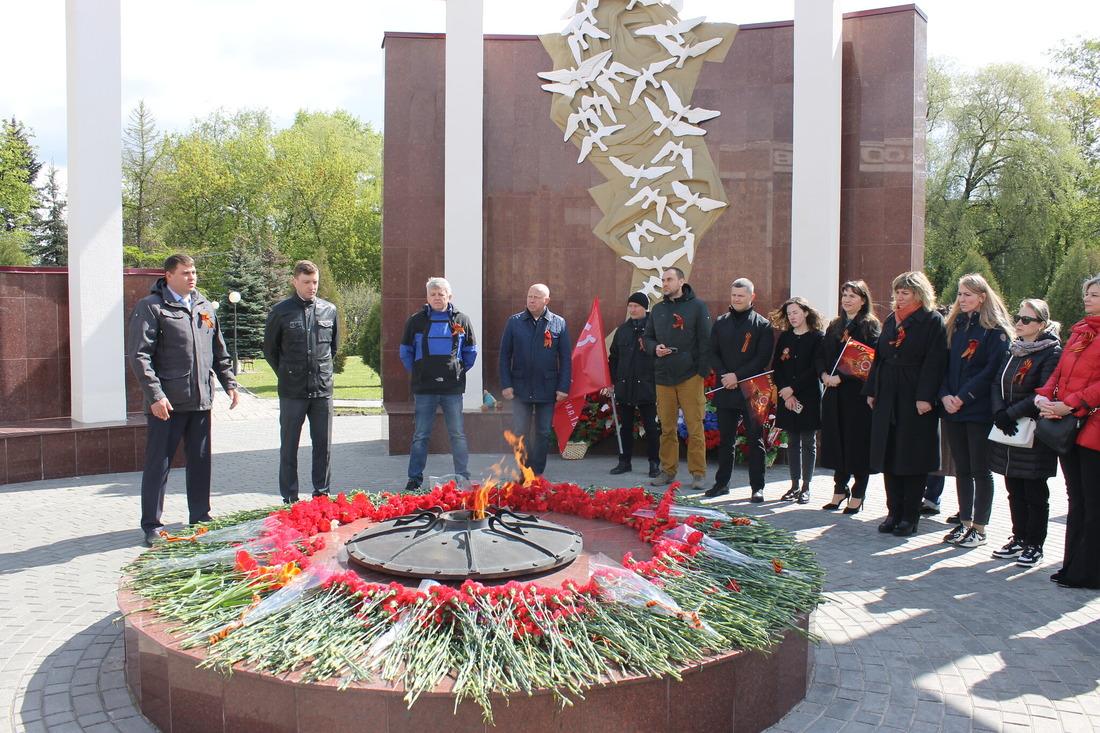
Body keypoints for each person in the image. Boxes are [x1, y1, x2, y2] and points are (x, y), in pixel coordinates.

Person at [128, 254, 239, 547]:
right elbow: (140, 356)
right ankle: (152, 524)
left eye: (194, 272)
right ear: (169, 276)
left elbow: (219, 350)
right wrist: (155, 395)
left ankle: (200, 515)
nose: (192, 277)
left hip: (200, 400)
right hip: (167, 404)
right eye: (185, 273)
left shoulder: (204, 306)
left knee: (200, 462)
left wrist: (229, 383)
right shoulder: (151, 307)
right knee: (158, 465)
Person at [864, 271, 947, 537]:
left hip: (913, 396)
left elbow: (935, 361)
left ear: (919, 294)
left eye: (906, 293)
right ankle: (893, 511)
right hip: (888, 393)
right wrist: (872, 389)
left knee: (912, 457)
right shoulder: (891, 319)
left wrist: (925, 396)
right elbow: (879, 357)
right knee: (890, 455)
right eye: (898, 292)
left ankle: (910, 516)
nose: (900, 298)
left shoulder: (932, 321)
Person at [938, 274, 1014, 549]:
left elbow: (992, 370)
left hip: (978, 409)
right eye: (960, 294)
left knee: (980, 470)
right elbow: (942, 365)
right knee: (962, 469)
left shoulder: (995, 330)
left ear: (982, 296)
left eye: (968, 294)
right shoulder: (955, 326)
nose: (962, 299)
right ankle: (965, 522)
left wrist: (963, 396)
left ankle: (979, 528)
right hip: (953, 408)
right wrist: (945, 395)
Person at [1035, 275, 1100, 590]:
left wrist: (1070, 405)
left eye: (1095, 295)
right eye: (1087, 293)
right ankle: (1072, 564)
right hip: (1070, 423)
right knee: (1076, 498)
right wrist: (1045, 396)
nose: (1088, 298)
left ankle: (1088, 571)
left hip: (1093, 426)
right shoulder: (1080, 332)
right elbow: (1060, 371)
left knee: (1093, 501)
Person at [988, 299, 1061, 568]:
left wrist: (1010, 414)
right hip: (1009, 429)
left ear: (1041, 325)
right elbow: (997, 382)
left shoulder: (1051, 353)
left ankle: (1034, 544)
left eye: (1026, 319)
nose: (1019, 322)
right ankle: (1018, 537)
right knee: (1013, 487)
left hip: (1032, 429)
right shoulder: (1014, 350)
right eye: (1019, 317)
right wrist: (999, 412)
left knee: (1034, 490)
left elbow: (1042, 391)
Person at [263, 260, 339, 504]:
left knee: (322, 448)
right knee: (289, 449)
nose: (312, 287)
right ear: (294, 281)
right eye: (306, 282)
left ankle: (321, 496)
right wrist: (287, 373)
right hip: (292, 392)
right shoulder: (280, 312)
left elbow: (333, 348)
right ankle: (290, 498)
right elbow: (270, 351)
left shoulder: (329, 310)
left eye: (315, 282)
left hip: (321, 391)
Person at [400, 276, 478, 491]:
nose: (437, 298)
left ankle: (462, 477)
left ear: (449, 296)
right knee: (421, 435)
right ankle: (414, 479)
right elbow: (405, 352)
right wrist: (420, 372)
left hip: (452, 389)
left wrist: (457, 372)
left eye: (440, 294)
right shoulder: (416, 321)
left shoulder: (461, 320)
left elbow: (471, 352)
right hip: (424, 389)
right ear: (427, 297)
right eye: (433, 294)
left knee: (457, 434)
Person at [643, 267, 713, 491]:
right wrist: (655, 349)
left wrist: (701, 372)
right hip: (664, 376)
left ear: (681, 281)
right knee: (666, 428)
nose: (665, 283)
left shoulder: (698, 307)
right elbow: (647, 337)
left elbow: (706, 341)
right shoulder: (658, 309)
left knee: (694, 427)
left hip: (690, 376)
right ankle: (668, 471)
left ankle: (698, 474)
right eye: (663, 280)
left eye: (669, 279)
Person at [705, 277, 772, 500]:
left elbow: (762, 357)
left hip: (751, 389)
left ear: (751, 297)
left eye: (741, 295)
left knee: (756, 440)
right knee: (726, 441)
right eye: (734, 295)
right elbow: (712, 352)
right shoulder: (721, 322)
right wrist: (726, 376)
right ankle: (721, 483)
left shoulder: (762, 325)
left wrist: (737, 376)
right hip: (726, 388)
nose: (736, 299)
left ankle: (757, 487)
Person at [818, 280, 881, 515]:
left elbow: (870, 361)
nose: (846, 300)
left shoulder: (870, 326)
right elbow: (822, 354)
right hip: (834, 394)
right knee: (838, 442)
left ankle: (858, 493)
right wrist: (824, 373)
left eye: (852, 296)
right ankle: (839, 489)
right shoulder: (835, 325)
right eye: (844, 295)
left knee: (857, 444)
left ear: (863, 300)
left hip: (857, 394)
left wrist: (842, 378)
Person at [500, 283, 570, 477]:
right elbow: (505, 355)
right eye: (530, 296)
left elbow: (565, 358)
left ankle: (537, 472)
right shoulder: (514, 322)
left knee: (544, 432)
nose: (531, 300)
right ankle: (524, 469)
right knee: (520, 431)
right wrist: (506, 384)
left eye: (536, 297)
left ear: (546, 301)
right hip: (520, 386)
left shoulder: (558, 323)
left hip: (547, 386)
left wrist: (563, 387)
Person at [769, 297, 825, 503]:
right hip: (787, 397)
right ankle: (793, 485)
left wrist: (793, 389)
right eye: (789, 313)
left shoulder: (818, 337)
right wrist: (785, 390)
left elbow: (814, 369)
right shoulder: (785, 337)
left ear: (806, 313)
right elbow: (777, 366)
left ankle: (806, 487)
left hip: (808, 396)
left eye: (796, 312)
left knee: (808, 441)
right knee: (792, 441)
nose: (792, 317)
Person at [607, 292, 661, 478]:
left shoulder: (654, 330)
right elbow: (613, 357)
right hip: (624, 386)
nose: (633, 309)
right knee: (625, 426)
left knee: (651, 427)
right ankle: (624, 461)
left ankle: (654, 463)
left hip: (647, 386)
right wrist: (612, 381)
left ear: (645, 308)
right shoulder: (622, 330)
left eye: (636, 306)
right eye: (630, 306)